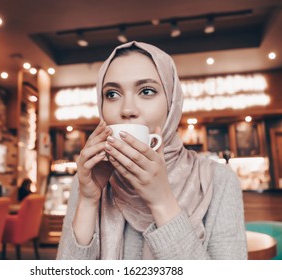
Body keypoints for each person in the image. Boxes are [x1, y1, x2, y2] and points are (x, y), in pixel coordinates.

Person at [57, 41, 247, 260]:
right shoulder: (90, 178)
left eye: (147, 91)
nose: (127, 109)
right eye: (112, 94)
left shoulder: (218, 180)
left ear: (171, 102)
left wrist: (161, 202)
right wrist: (88, 202)